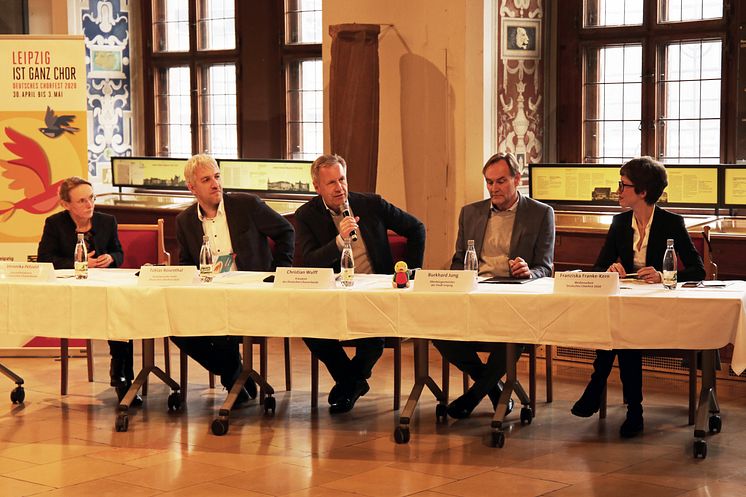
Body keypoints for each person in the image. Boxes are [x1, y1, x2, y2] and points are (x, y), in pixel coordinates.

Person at [571, 156, 705, 438]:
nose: (618, 191)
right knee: (622, 331)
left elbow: (698, 270)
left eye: (623, 185)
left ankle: (598, 387)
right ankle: (634, 410)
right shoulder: (620, 223)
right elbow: (598, 267)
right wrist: (610, 269)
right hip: (628, 306)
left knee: (622, 332)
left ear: (643, 192)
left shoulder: (672, 222)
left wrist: (665, 275)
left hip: (661, 309)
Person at [295, 154, 425, 414]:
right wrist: (338, 241)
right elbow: (307, 262)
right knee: (309, 329)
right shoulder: (306, 215)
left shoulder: (370, 204)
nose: (339, 188)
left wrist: (410, 273)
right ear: (317, 187)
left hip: (375, 292)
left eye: (341, 179)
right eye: (330, 183)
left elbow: (416, 228)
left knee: (373, 337)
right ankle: (352, 382)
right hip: (333, 296)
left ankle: (348, 385)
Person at [433, 152, 554, 419]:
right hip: (475, 295)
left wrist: (529, 272)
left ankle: (474, 395)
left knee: (515, 333)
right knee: (436, 329)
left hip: (514, 298)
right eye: (489, 182)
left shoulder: (541, 214)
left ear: (517, 179)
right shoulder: (470, 213)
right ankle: (493, 388)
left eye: (500, 181)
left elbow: (545, 267)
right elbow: (457, 261)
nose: (494, 189)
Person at [172, 154, 295, 405]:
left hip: (252, 294)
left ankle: (234, 383)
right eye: (206, 179)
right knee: (175, 327)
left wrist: (276, 273)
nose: (215, 183)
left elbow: (286, 231)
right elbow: (186, 262)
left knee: (220, 326)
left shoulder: (246, 205)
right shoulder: (185, 221)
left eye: (217, 177)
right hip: (209, 296)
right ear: (192, 188)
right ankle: (237, 376)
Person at [37, 177, 137, 404]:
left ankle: (122, 379)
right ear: (66, 204)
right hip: (72, 292)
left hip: (105, 289)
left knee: (122, 314)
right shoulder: (54, 224)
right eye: (81, 201)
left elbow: (119, 254)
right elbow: (44, 260)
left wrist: (111, 257)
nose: (89, 204)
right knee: (114, 312)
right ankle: (121, 378)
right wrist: (80, 263)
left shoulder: (107, 221)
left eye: (91, 198)